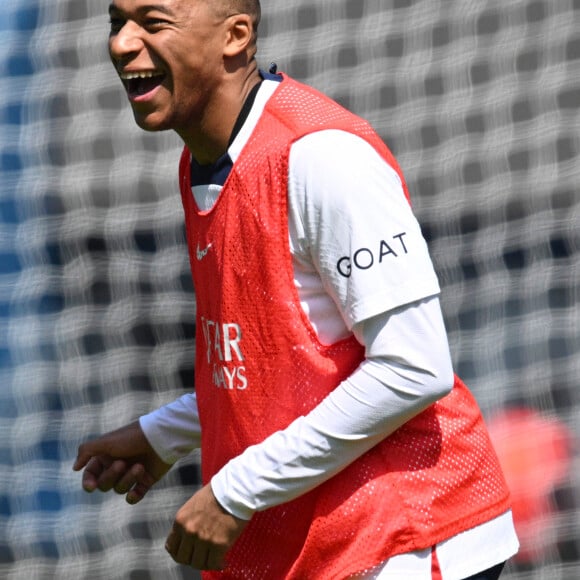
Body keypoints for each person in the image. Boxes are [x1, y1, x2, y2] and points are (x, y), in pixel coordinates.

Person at [74, 0, 519, 578]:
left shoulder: (320, 157)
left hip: (411, 540)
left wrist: (235, 490)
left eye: (153, 23)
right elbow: (281, 368)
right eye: (117, 23)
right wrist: (167, 433)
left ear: (235, 35)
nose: (122, 44)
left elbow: (414, 367)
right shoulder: (200, 163)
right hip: (322, 547)